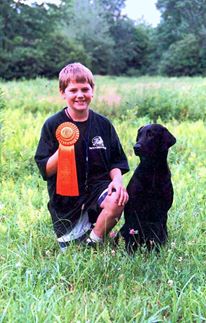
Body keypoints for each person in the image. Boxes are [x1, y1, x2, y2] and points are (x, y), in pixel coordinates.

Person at [35, 62, 129, 251]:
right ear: (63, 93)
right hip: (65, 200)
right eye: (73, 90)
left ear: (92, 90)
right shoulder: (52, 124)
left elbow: (116, 161)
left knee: (117, 198)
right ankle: (88, 231)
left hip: (97, 189)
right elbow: (45, 169)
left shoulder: (104, 124)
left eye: (85, 89)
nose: (80, 95)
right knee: (69, 251)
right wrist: (64, 147)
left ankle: (93, 242)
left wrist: (117, 182)